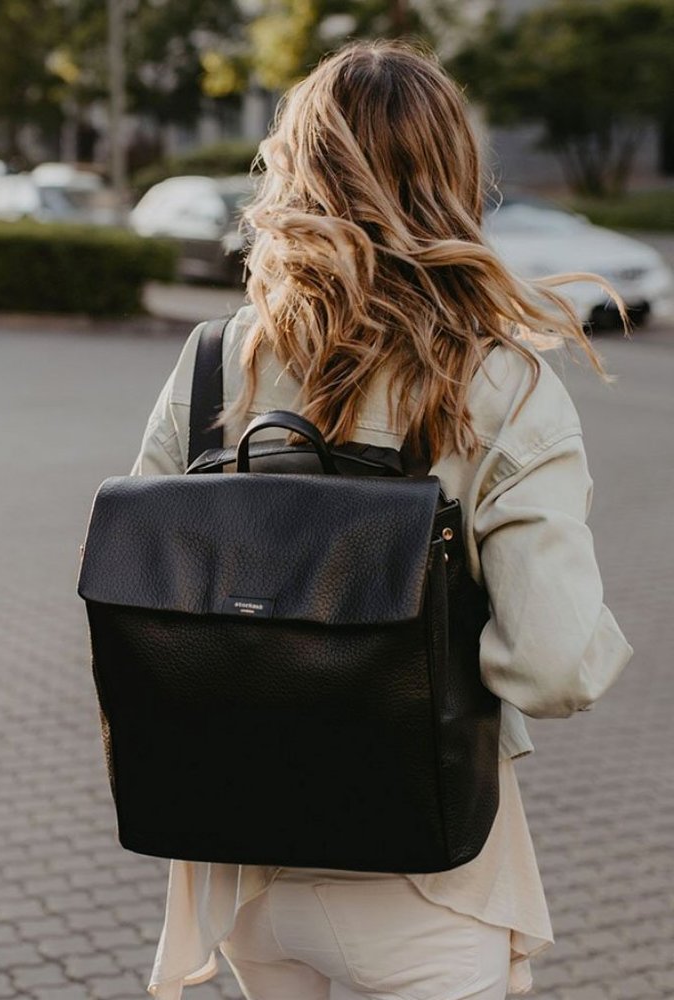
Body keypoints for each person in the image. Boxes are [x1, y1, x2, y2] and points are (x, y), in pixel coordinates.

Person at [128, 38, 633, 1000]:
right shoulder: (500, 382)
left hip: (243, 864)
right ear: (453, 180)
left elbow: (142, 593)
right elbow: (555, 663)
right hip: (424, 872)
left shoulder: (213, 363)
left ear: (296, 169)